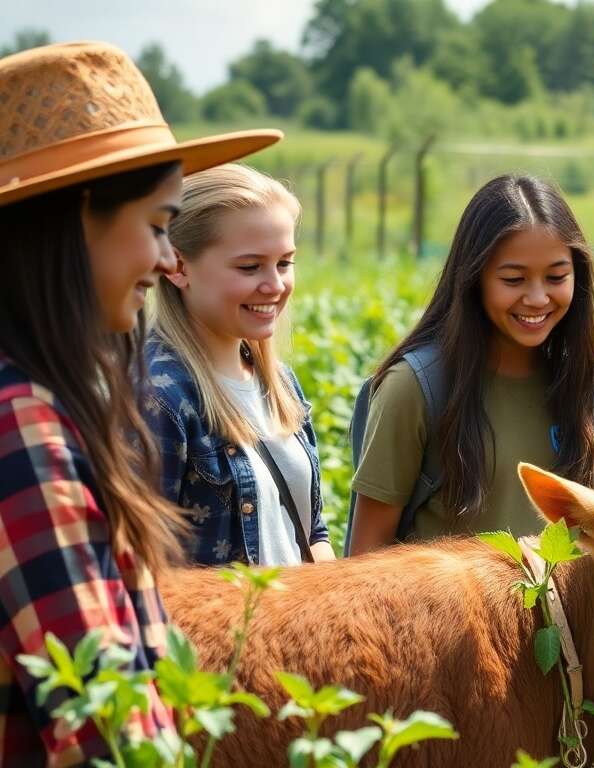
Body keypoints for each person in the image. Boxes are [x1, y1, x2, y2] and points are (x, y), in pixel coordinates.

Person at [0, 41, 279, 763]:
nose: (165, 257)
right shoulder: (18, 422)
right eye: (157, 225)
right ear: (80, 216)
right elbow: (103, 717)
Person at [348, 175, 594, 553]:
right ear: (474, 278)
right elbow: (367, 554)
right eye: (514, 279)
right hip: (442, 613)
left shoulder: (591, 384)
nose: (538, 297)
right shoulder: (414, 388)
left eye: (557, 276)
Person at [145, 163, 334, 566]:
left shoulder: (279, 383)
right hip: (226, 628)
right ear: (178, 267)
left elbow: (313, 530)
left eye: (284, 263)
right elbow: (147, 571)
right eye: (250, 267)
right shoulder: (159, 398)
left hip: (299, 627)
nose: (276, 284)